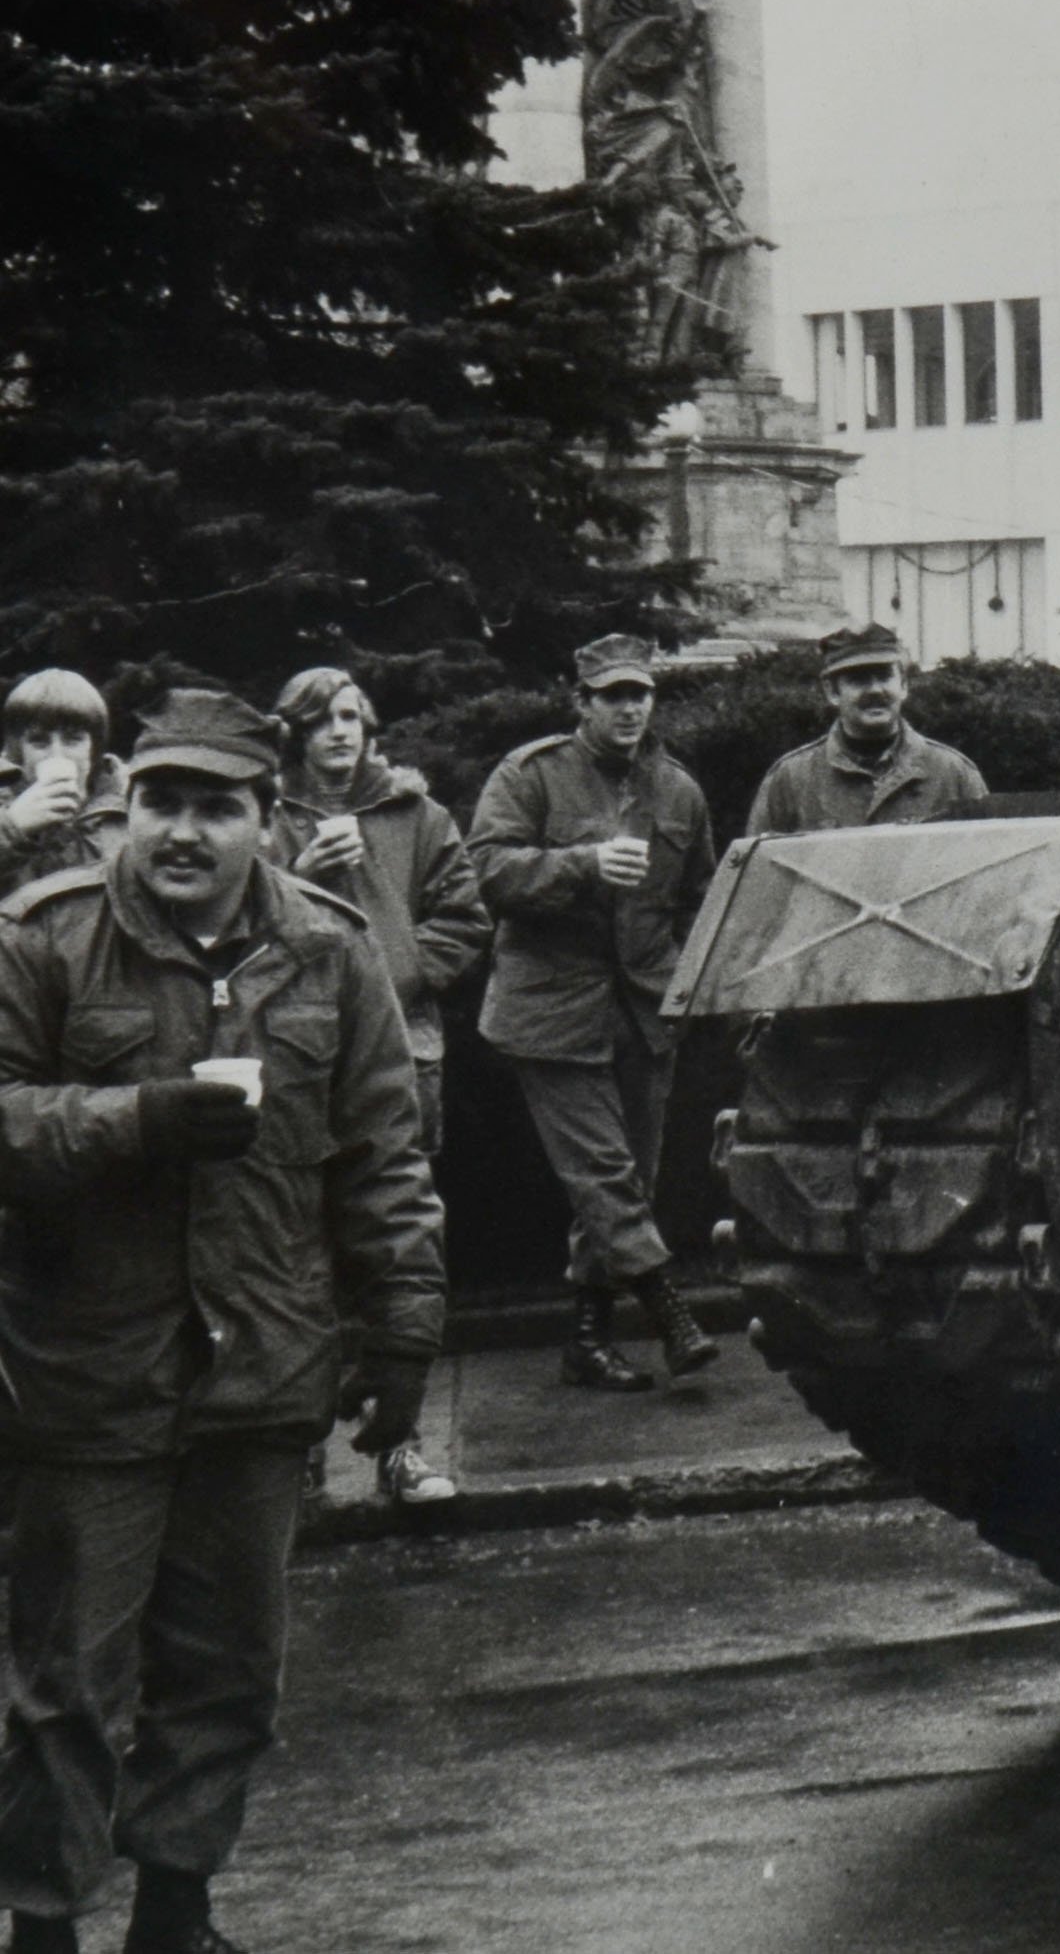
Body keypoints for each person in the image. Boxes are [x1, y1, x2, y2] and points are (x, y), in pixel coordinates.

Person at [0, 686, 442, 1954]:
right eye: (162, 803)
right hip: (83, 1373)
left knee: (229, 1672)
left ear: (268, 818)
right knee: (66, 1680)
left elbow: (381, 1155)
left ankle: (176, 1917)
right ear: (126, 806)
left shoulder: (328, 946)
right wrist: (128, 1119)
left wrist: (404, 1326)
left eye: (218, 807)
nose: (182, 832)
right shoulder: (44, 938)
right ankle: (41, 1927)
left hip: (264, 1359)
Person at [467, 636, 719, 1394]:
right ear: (581, 702)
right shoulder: (531, 775)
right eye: (613, 695)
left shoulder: (677, 791)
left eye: (640, 693)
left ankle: (588, 1337)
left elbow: (700, 899)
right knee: (605, 1173)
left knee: (623, 1183)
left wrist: (679, 978)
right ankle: (670, 1309)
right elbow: (486, 871)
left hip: (643, 1012)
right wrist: (579, 864)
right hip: (551, 1011)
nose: (630, 707)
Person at [266, 669, 489, 1505]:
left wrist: (395, 975)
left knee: (399, 1253)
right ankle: (300, 1452)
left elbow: (466, 919)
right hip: (291, 1061)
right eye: (321, 720)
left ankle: (399, 1448)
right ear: (294, 732)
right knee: (295, 1257)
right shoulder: (265, 817)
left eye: (353, 717)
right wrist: (295, 867)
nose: (340, 733)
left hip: (400, 1056)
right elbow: (230, 923)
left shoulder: (417, 815)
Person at [743, 625, 989, 833]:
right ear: (832, 691)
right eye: (858, 679)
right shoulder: (790, 780)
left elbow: (990, 875)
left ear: (903, 685)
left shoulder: (954, 775)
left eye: (884, 676)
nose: (874, 690)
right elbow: (757, 881)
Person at [0, 675, 125, 900]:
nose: (57, 754)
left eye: (73, 740)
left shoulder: (130, 806)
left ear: (94, 749)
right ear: (18, 751)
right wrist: (12, 828)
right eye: (39, 741)